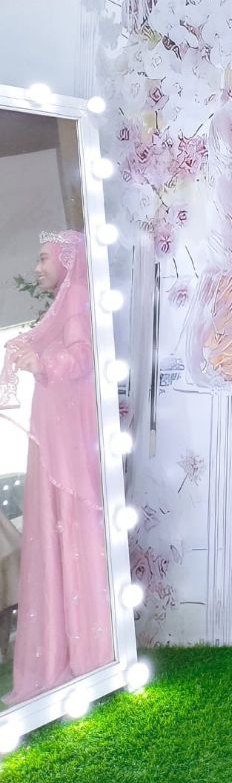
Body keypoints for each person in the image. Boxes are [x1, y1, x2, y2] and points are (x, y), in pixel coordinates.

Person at [0, 230, 114, 705]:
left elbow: (82, 357)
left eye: (45, 258)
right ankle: (67, 648)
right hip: (56, 437)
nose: (38, 267)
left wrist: (41, 361)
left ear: (69, 260)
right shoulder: (65, 303)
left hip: (66, 442)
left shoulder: (78, 298)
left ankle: (88, 652)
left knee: (70, 527)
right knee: (58, 530)